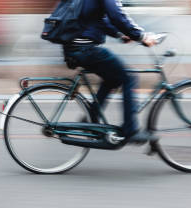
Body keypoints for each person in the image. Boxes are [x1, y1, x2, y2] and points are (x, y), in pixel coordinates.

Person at [62, 0, 158, 143]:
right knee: (128, 77)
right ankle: (130, 130)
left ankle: (90, 119)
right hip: (86, 48)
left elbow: (96, 19)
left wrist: (120, 35)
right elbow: (117, 15)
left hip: (73, 47)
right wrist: (142, 36)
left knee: (112, 79)